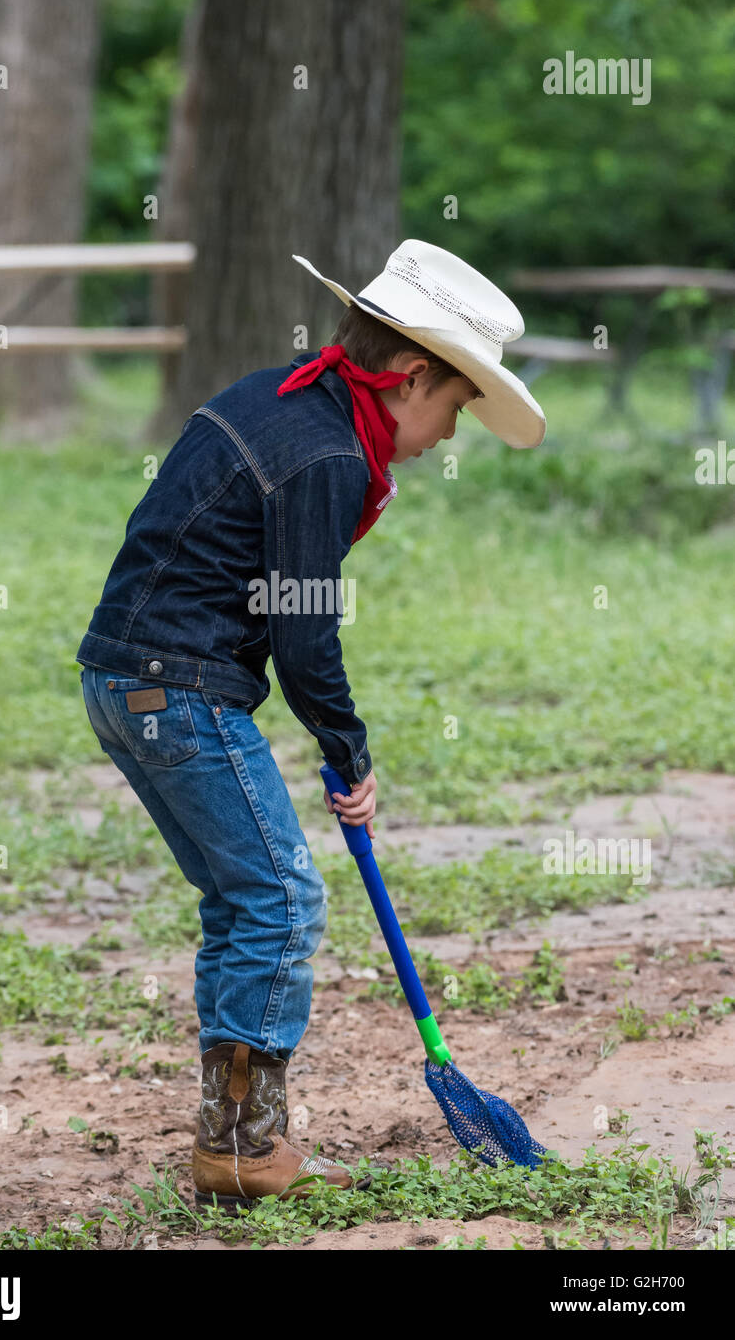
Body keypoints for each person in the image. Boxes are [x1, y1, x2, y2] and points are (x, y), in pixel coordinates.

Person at [76, 239, 545, 1213]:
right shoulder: (327, 452)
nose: (449, 434)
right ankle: (244, 1152)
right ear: (409, 375)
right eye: (455, 406)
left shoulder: (278, 397)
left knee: (244, 903)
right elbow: (304, 634)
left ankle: (231, 1141)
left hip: (123, 680)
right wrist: (348, 751)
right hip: (179, 688)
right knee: (284, 901)